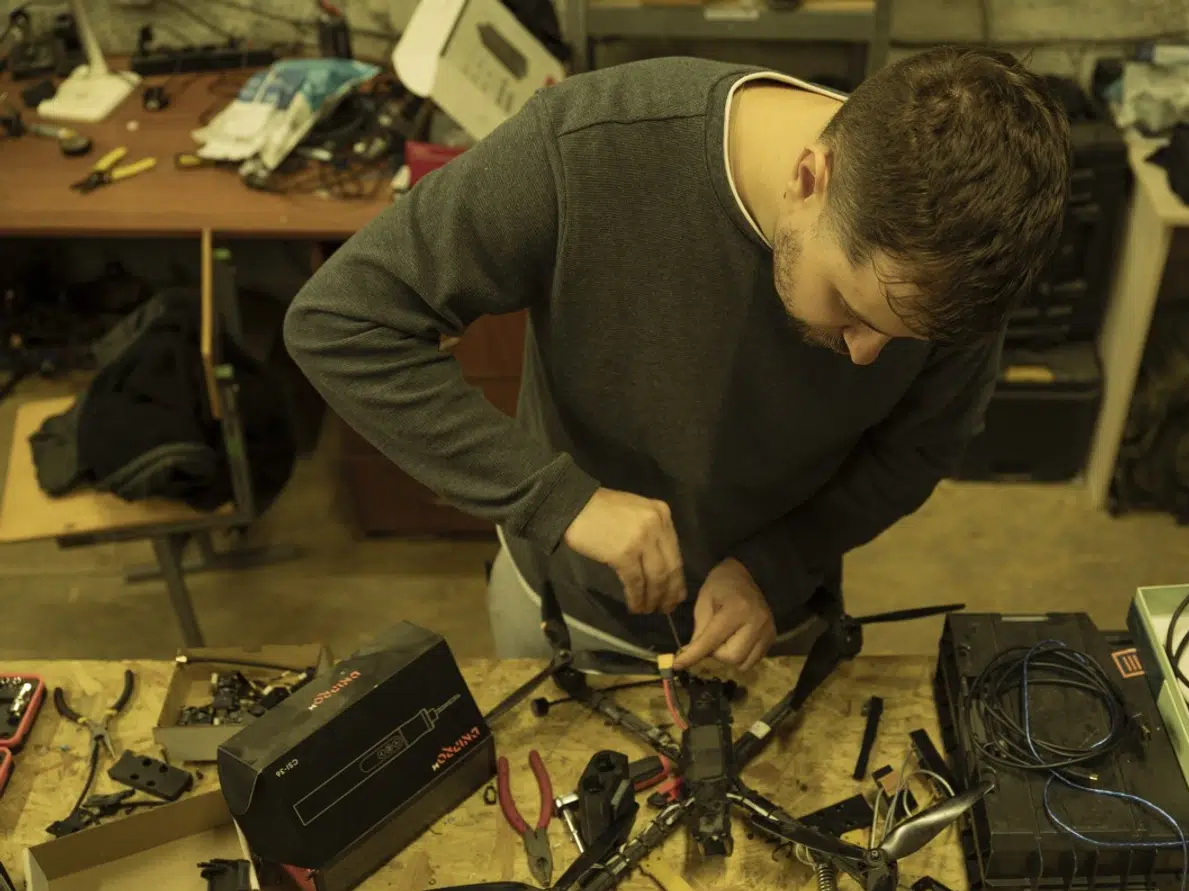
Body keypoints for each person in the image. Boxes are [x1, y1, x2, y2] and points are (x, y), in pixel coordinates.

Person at [284, 46, 1071, 670]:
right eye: (852, 308)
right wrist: (556, 500)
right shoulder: (587, 148)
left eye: (903, 337)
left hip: (774, 620)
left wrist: (773, 566)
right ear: (809, 179)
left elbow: (917, 448)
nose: (866, 357)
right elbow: (343, 321)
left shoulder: (952, 262)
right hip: (563, 607)